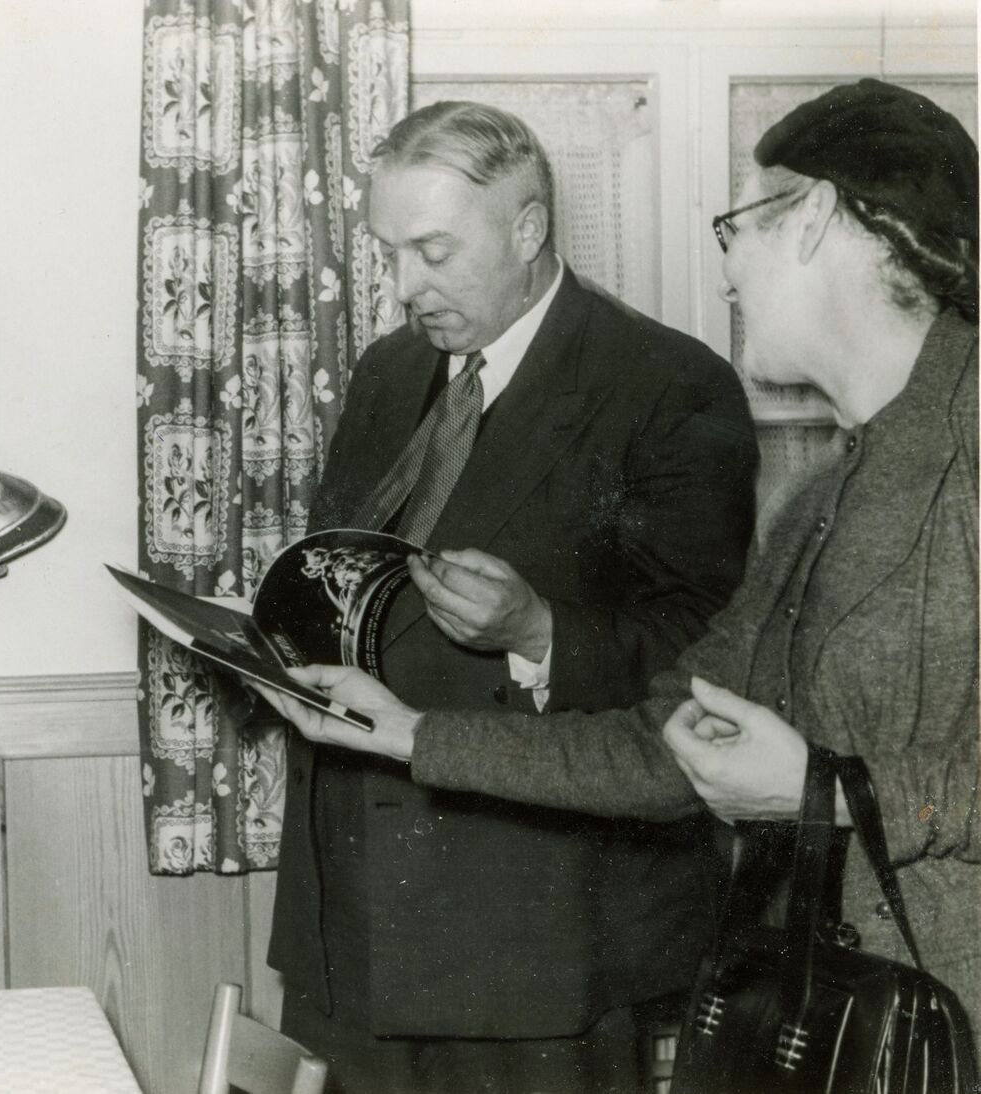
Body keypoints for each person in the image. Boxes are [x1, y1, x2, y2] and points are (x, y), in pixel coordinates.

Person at [260, 79, 980, 1042]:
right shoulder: (821, 498)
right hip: (856, 1025)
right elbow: (662, 741)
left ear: (813, 218)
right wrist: (403, 733)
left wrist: (833, 793)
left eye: (735, 231)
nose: (726, 277)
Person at [263, 101, 759, 1093]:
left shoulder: (667, 383)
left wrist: (539, 631)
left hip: (534, 941)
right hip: (353, 911)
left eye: (433, 250)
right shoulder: (387, 370)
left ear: (527, 229)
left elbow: (709, 654)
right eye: (389, 252)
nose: (404, 287)